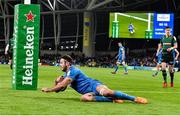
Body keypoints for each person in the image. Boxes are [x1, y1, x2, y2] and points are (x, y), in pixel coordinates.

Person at [42, 55, 147, 104]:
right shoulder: (67, 75)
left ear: (68, 63)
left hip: (94, 85)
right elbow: (61, 89)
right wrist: (56, 81)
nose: (59, 65)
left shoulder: (73, 71)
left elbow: (60, 86)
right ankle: (112, 100)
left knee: (106, 92)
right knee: (84, 98)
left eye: (61, 63)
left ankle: (135, 99)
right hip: (90, 92)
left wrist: (49, 89)